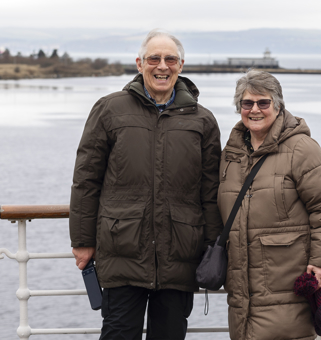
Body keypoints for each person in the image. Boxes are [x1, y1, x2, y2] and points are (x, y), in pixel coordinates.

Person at [69, 29, 223, 340]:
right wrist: (82, 241)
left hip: (180, 253)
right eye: (154, 58)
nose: (162, 66)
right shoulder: (109, 110)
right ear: (140, 63)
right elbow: (86, 180)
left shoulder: (202, 121)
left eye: (170, 59)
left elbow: (209, 193)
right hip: (121, 248)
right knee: (118, 334)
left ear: (181, 65)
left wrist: (211, 247)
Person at [217, 70, 321, 340]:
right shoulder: (231, 153)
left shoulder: (301, 148)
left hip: (287, 282)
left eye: (263, 102)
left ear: (277, 105)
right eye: (247, 103)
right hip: (242, 288)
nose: (255, 110)